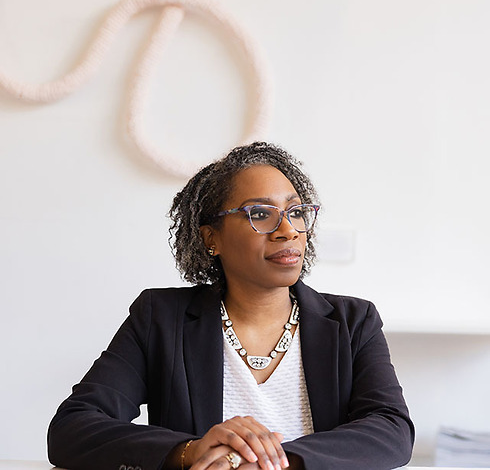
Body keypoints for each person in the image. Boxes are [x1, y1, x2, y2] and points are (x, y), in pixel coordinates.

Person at [48, 142, 414, 470]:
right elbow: (72, 428)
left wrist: (278, 462)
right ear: (211, 238)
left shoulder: (353, 322)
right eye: (260, 214)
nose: (288, 230)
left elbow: (391, 428)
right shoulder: (161, 318)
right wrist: (191, 451)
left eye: (297, 212)